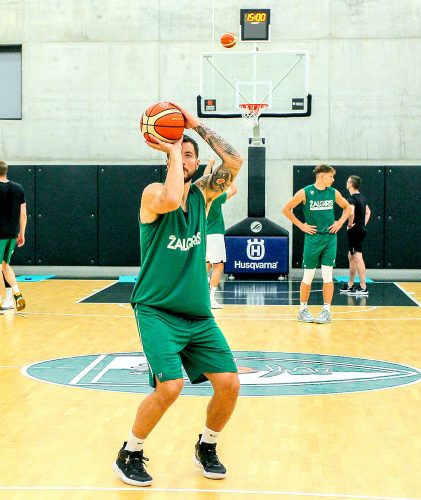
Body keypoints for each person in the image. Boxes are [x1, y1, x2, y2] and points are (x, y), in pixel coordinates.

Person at [113, 104, 243, 487]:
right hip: (156, 310)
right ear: (164, 153)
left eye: (189, 154)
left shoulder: (204, 196)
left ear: (199, 163)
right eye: (176, 152)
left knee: (230, 383)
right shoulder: (153, 193)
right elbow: (171, 199)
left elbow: (234, 160)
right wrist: (172, 147)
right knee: (170, 387)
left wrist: (195, 126)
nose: (182, 157)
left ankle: (207, 444)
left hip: (197, 314)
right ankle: (130, 452)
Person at [282, 164, 351, 324]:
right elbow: (286, 209)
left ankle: (326, 311)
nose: (333, 180)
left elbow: (347, 208)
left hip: (329, 239)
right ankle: (302, 310)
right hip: (312, 239)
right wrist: (301, 225)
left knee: (328, 275)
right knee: (308, 276)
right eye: (331, 176)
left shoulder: (333, 193)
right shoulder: (305, 192)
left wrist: (340, 222)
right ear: (321, 175)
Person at [205, 158, 237, 309]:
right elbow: (234, 190)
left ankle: (202, 295)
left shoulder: (202, 195)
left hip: (202, 234)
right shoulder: (216, 197)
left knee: (207, 264)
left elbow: (205, 178)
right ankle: (210, 298)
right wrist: (231, 174)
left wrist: (210, 164)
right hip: (214, 234)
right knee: (219, 266)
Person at [0, 160, 27, 312]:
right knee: (5, 265)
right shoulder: (18, 188)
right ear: (6, 171)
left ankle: (3, 300)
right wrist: (22, 233)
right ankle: (16, 294)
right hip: (11, 233)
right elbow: (23, 214)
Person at [340, 175, 371, 295]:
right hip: (360, 229)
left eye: (348, 181)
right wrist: (362, 224)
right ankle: (350, 284)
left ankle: (363, 287)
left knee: (357, 257)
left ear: (351, 184)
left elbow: (351, 212)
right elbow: (368, 212)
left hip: (354, 231)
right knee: (351, 256)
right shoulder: (362, 197)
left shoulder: (351, 199)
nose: (346, 183)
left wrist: (350, 224)